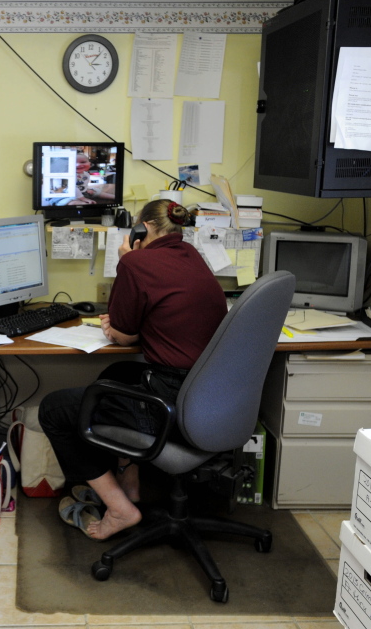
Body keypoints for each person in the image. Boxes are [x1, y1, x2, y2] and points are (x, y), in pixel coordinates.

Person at [38, 199, 228, 540]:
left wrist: (128, 263)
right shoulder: (193, 257)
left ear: (144, 228)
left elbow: (125, 336)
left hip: (170, 404)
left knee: (55, 409)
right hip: (208, 398)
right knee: (116, 374)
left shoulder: (138, 262)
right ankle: (129, 478)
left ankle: (120, 508)